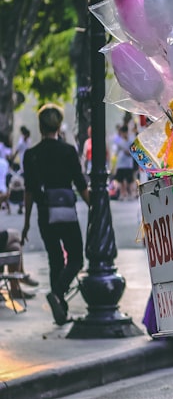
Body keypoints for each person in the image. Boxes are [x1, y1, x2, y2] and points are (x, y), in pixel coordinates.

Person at [22, 104, 89, 325]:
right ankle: (58, 294)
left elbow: (29, 192)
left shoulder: (31, 155)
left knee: (55, 259)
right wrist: (94, 207)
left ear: (40, 127)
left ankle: (60, 311)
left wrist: (26, 224)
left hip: (44, 214)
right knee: (76, 258)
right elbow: (81, 185)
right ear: (59, 126)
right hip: (66, 213)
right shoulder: (68, 151)